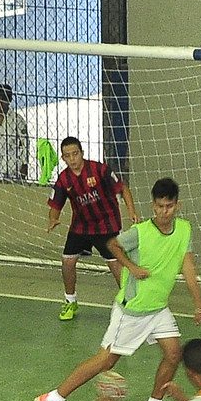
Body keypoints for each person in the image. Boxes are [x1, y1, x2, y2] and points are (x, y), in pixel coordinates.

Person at [34, 176, 201, 401]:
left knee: (172, 353)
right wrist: (132, 267)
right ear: (153, 205)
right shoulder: (141, 232)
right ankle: (52, 400)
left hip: (158, 309)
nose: (163, 212)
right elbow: (112, 244)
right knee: (106, 360)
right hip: (132, 310)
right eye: (158, 206)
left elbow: (188, 266)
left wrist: (198, 303)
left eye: (168, 206)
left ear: (176, 206)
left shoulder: (184, 230)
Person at [43, 135, 139, 321]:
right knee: (67, 261)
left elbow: (123, 189)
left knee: (115, 264)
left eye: (75, 154)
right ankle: (70, 301)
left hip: (106, 224)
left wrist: (131, 210)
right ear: (63, 158)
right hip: (81, 227)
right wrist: (53, 220)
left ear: (82, 153)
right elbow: (55, 205)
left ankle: (130, 302)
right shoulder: (63, 179)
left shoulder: (99, 169)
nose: (72, 159)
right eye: (67, 156)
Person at [0, 83, 34, 183]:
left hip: (13, 169)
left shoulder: (17, 120)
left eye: (4, 98)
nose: (0, 102)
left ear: (9, 100)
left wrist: (24, 164)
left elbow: (25, 143)